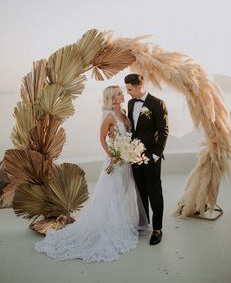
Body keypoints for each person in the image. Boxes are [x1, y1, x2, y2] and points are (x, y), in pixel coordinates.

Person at [34, 85, 147, 263]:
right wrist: (112, 155)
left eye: (121, 92)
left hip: (126, 162)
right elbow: (102, 138)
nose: (122, 95)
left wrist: (129, 152)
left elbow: (127, 136)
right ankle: (111, 227)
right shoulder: (109, 116)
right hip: (115, 161)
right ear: (111, 98)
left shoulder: (123, 112)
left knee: (125, 193)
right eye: (118, 93)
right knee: (113, 194)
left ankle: (121, 224)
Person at [124, 74, 169, 245]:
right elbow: (132, 130)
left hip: (151, 156)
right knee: (140, 191)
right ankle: (143, 224)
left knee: (154, 192)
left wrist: (156, 155)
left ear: (138, 87)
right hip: (133, 156)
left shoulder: (157, 104)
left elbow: (163, 131)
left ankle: (157, 229)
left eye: (129, 89)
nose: (127, 93)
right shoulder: (130, 103)